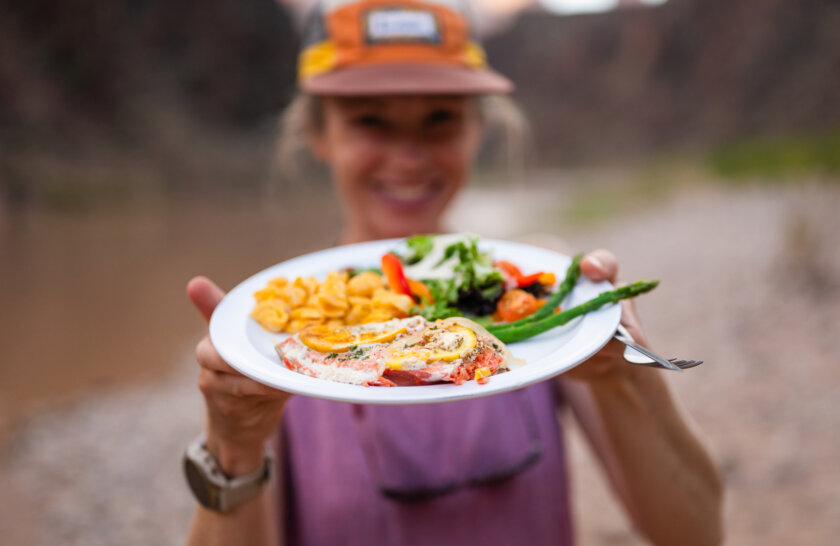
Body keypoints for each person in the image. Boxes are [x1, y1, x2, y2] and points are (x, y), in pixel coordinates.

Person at [183, 1, 723, 544]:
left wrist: (623, 374)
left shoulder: (542, 295)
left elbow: (696, 533)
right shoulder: (274, 341)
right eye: (370, 120)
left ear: (477, 127)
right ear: (319, 135)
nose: (409, 155)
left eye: (440, 117)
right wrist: (233, 447)